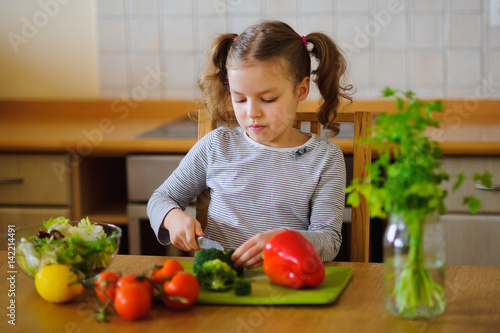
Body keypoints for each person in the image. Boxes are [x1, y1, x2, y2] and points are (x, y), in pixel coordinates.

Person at [147, 20, 352, 269]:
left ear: (301, 90)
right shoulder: (216, 145)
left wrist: (284, 240)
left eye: (268, 99)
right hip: (225, 283)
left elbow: (329, 241)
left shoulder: (325, 158)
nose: (252, 113)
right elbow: (161, 198)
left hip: (288, 285)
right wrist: (173, 217)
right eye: (240, 99)